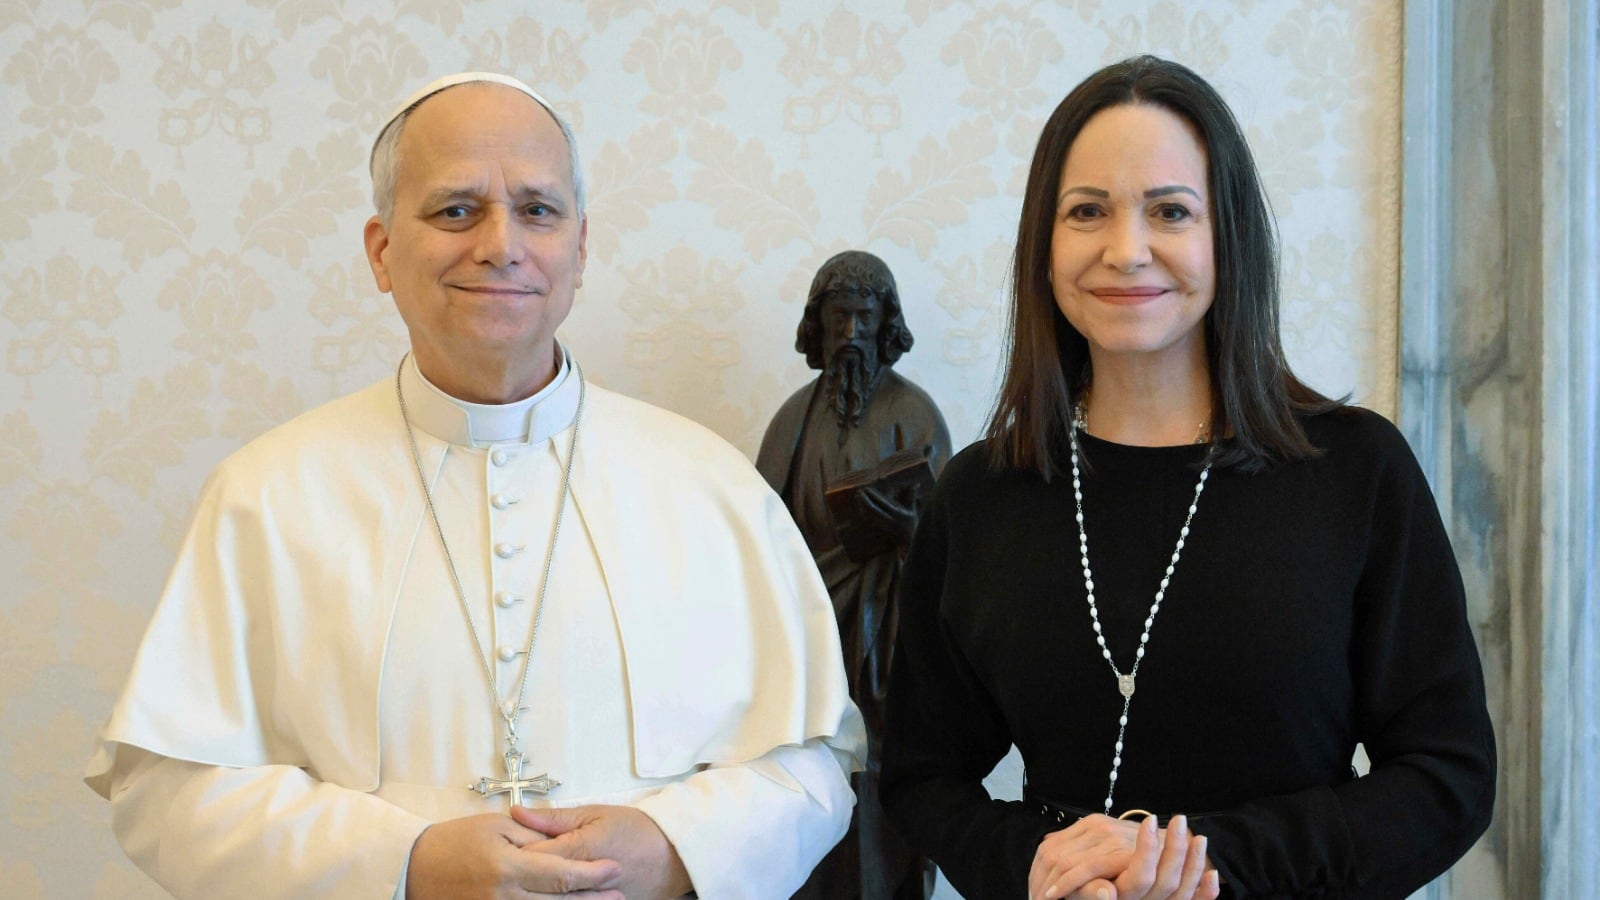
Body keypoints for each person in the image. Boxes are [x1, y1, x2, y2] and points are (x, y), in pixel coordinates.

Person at [84, 72, 866, 900]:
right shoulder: (267, 494)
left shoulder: (711, 486)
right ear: (382, 252)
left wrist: (676, 847)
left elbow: (813, 764)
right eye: (456, 210)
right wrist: (404, 863)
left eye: (538, 210)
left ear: (580, 247)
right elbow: (168, 791)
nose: (501, 243)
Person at [879, 55, 1496, 900]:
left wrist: (1204, 863)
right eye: (1088, 211)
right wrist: (1036, 862)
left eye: (1170, 211)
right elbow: (919, 778)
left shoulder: (1357, 469)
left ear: (1226, 235)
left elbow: (1446, 778)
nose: (1126, 251)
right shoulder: (982, 495)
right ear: (1045, 242)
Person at [756, 250, 950, 900]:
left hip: (888, 650)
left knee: (883, 798)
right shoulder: (793, 419)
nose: (850, 335)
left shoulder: (916, 416)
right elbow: (760, 540)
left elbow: (949, 550)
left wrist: (901, 531)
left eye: (863, 318)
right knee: (810, 794)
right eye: (838, 318)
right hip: (808, 644)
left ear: (884, 323)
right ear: (818, 323)